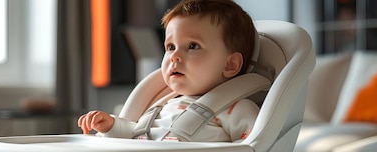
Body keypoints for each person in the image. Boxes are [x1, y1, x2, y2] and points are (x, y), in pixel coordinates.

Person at [78, 0, 258, 142]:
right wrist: (111, 127)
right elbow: (138, 136)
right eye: (170, 47)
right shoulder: (163, 105)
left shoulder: (236, 109)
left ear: (230, 65)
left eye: (193, 46)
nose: (174, 56)